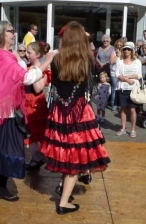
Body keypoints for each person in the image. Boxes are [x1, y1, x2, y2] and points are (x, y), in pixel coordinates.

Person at [0, 20, 54, 204]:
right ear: (1, 34)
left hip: (6, 110)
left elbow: (20, 71)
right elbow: (25, 77)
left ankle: (1, 186)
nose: (13, 33)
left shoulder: (5, 54)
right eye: (10, 30)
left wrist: (19, 58)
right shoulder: (1, 55)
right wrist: (47, 61)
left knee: (8, 150)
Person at [39, 21, 110, 215]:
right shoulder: (86, 61)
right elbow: (89, 84)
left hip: (59, 112)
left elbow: (54, 84)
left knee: (66, 152)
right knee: (76, 156)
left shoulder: (56, 60)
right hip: (79, 113)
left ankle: (64, 188)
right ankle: (63, 203)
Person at [24, 42, 51, 171]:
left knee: (35, 133)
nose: (27, 55)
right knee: (28, 133)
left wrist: (34, 72)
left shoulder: (43, 69)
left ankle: (39, 157)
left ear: (38, 54)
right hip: (25, 102)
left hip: (36, 105)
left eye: (29, 52)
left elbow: (39, 88)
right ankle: (36, 157)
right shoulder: (27, 67)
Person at [115, 41, 142, 138]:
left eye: (128, 49)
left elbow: (139, 75)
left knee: (132, 110)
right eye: (125, 49)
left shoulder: (137, 61)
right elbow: (117, 74)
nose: (126, 50)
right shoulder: (119, 61)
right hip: (122, 88)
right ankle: (123, 128)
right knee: (122, 109)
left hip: (133, 89)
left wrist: (129, 78)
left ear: (132, 51)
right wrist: (127, 80)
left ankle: (133, 130)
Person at [109, 39, 124, 112]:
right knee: (114, 89)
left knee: (121, 89)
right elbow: (111, 62)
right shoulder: (113, 52)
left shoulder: (125, 53)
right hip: (114, 73)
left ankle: (120, 105)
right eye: (118, 45)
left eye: (121, 45)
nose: (119, 47)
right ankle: (114, 105)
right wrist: (118, 55)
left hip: (122, 74)